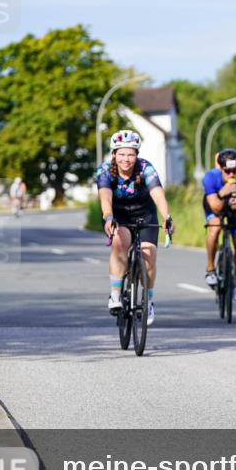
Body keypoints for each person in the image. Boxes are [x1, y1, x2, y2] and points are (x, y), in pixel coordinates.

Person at [96, 129, 175, 327]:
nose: (126, 159)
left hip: (144, 214)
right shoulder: (105, 171)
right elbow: (105, 197)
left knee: (149, 256)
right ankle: (115, 295)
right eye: (122, 154)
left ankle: (148, 301)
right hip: (118, 216)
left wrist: (166, 217)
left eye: (131, 154)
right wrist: (108, 217)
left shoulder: (145, 168)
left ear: (136, 155)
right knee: (119, 243)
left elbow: (158, 194)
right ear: (114, 154)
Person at [202, 148, 236, 301]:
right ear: (220, 169)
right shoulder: (210, 177)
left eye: (234, 170)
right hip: (216, 205)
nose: (231, 174)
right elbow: (215, 206)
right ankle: (210, 268)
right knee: (215, 229)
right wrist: (223, 192)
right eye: (227, 171)